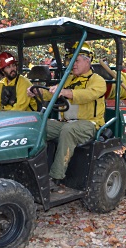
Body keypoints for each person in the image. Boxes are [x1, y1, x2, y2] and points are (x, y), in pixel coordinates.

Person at [27, 42, 106, 189]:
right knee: (38, 125)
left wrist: (66, 92)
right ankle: (31, 170)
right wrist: (36, 92)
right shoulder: (69, 79)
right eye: (70, 60)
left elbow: (88, 95)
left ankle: (55, 177)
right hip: (66, 123)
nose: (72, 64)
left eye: (76, 60)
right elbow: (53, 93)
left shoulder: (97, 80)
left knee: (67, 131)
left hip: (90, 124)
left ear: (87, 61)